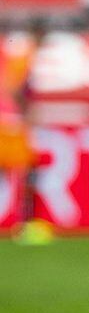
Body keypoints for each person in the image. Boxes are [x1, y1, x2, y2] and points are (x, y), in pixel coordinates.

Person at [0, 19, 52, 244]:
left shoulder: (16, 52)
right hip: (11, 122)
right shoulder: (25, 55)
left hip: (8, 120)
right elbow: (13, 87)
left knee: (18, 171)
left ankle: (25, 224)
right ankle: (25, 226)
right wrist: (26, 113)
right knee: (27, 171)